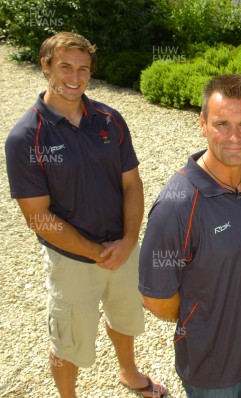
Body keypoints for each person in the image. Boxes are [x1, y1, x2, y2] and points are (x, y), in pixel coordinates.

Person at [4, 32, 166, 398]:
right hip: (72, 260)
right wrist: (95, 253)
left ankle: (129, 372)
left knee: (124, 318)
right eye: (64, 67)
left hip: (122, 250)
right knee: (68, 339)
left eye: (83, 69)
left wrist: (128, 240)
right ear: (45, 66)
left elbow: (132, 184)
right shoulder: (25, 138)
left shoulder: (109, 120)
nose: (75, 78)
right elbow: (38, 216)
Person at [138, 74, 241, 397]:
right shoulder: (177, 205)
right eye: (221, 124)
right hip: (214, 371)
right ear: (202, 124)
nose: (234, 136)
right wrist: (206, 315)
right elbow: (156, 299)